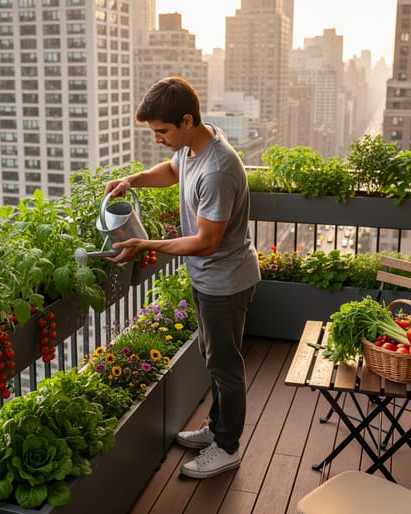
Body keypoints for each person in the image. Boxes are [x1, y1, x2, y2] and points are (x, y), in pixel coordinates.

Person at [104, 76, 260, 479]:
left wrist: (147, 244)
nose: (157, 139)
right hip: (209, 279)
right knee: (214, 357)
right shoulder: (195, 145)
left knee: (226, 366)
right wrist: (132, 181)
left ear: (187, 120)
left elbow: (207, 242)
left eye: (161, 131)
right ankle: (216, 429)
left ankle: (227, 447)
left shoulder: (219, 169)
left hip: (224, 281)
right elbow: (172, 171)